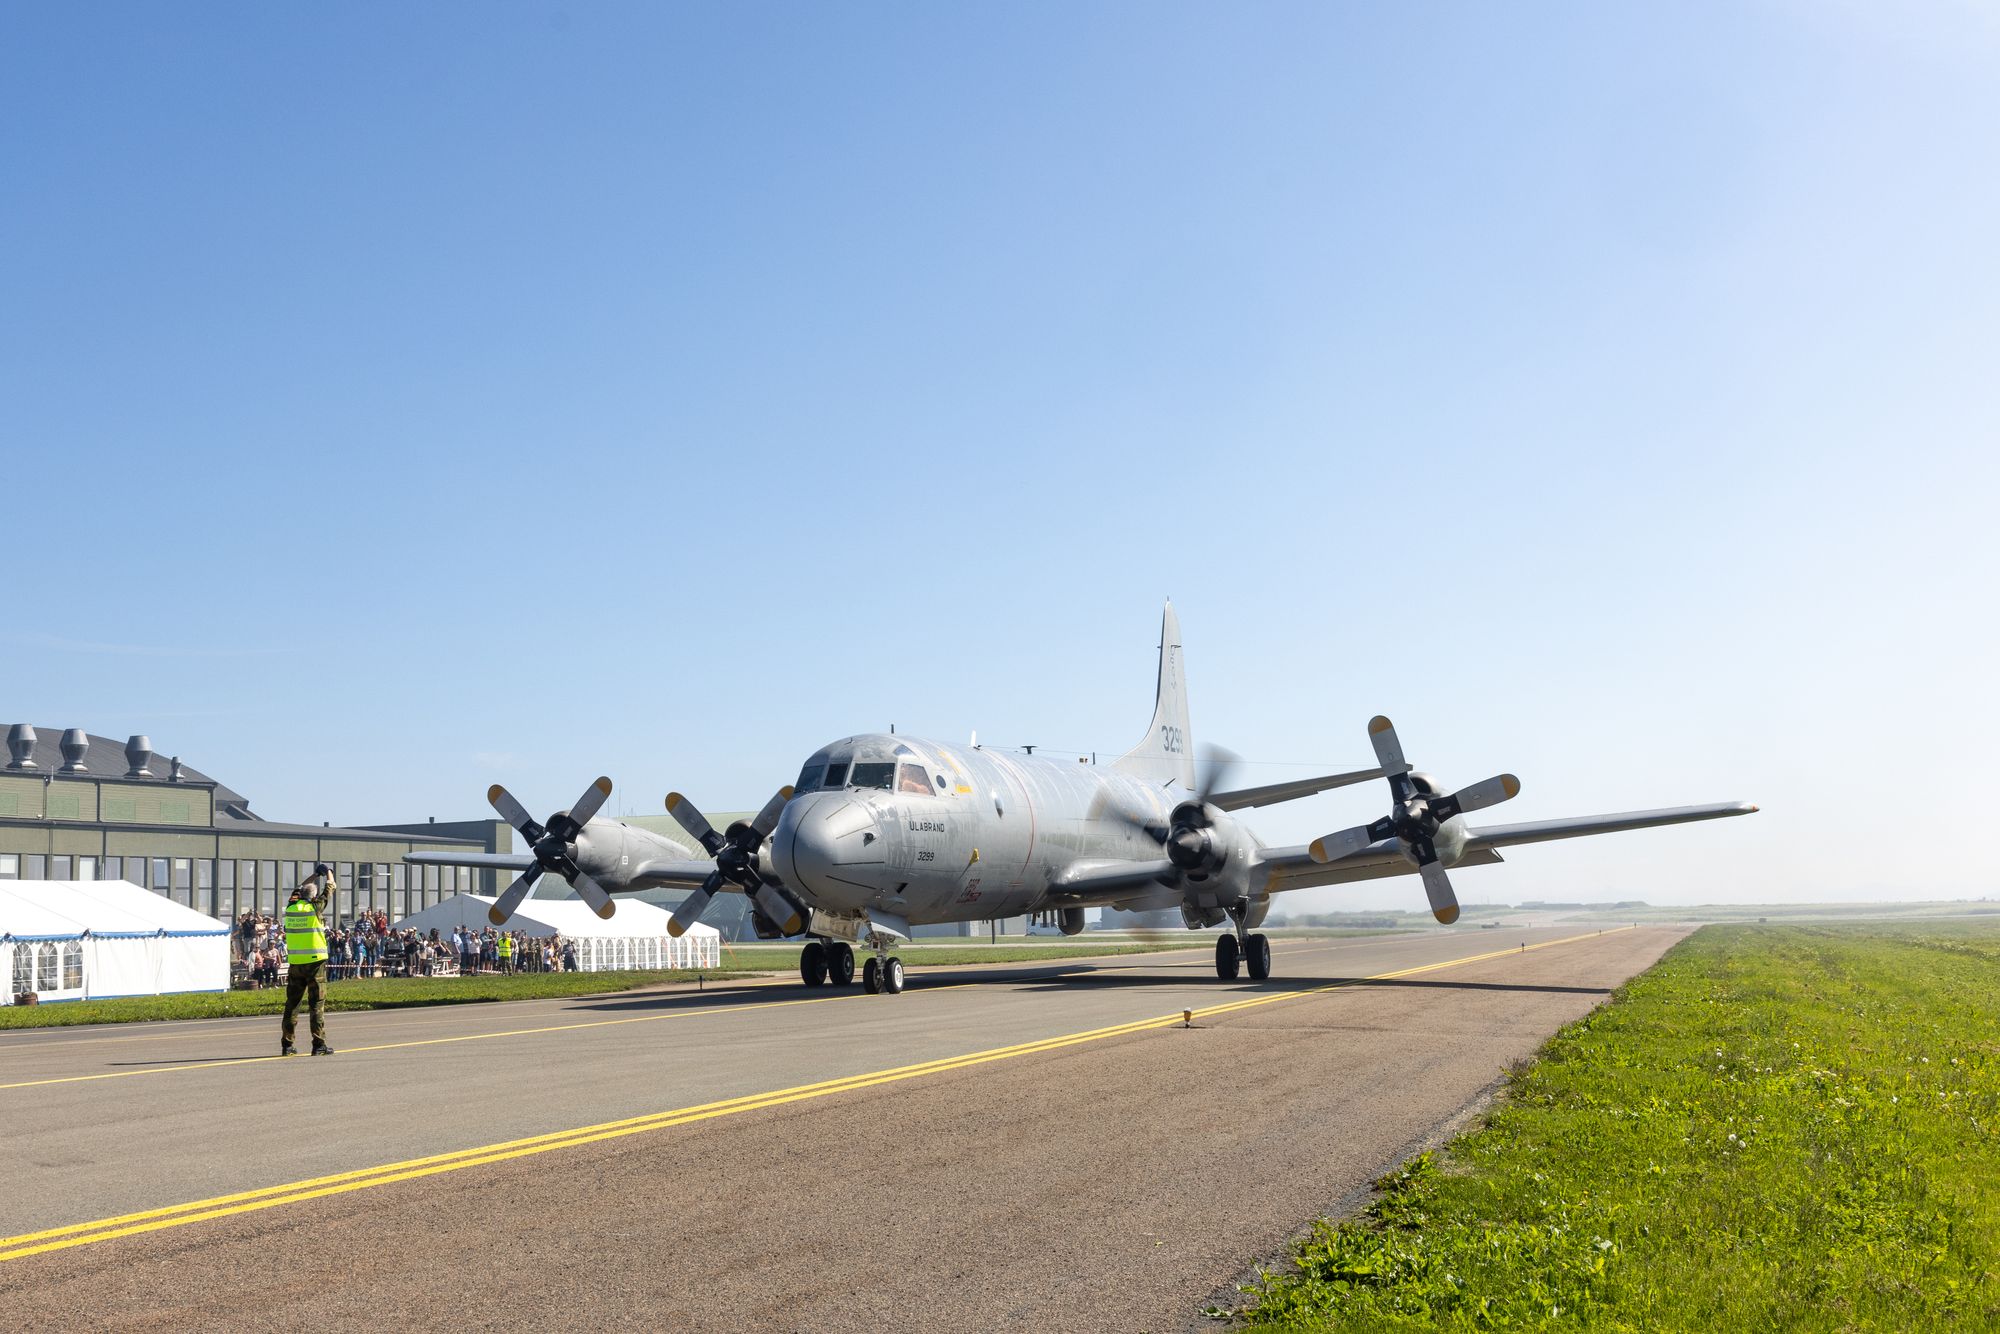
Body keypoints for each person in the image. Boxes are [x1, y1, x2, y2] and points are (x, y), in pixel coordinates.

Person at [281, 864, 337, 1056]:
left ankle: (287, 1045)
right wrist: (328, 871)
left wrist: (315, 874)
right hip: (315, 963)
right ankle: (318, 1044)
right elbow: (330, 886)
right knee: (316, 1005)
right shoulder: (314, 907)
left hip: (296, 963)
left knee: (292, 1004)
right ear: (313, 897)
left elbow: (299, 886)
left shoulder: (291, 906)